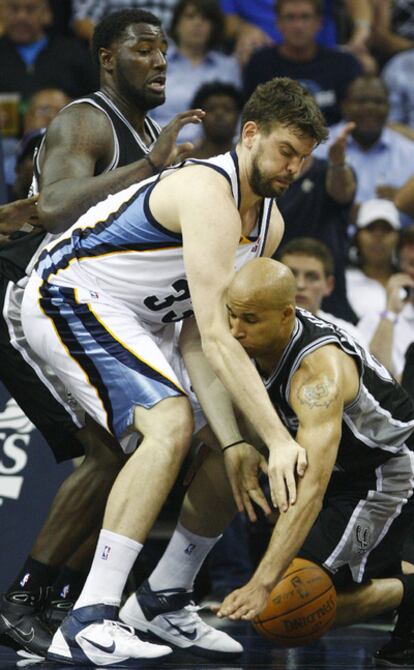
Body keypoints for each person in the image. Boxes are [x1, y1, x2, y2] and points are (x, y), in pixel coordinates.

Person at [20, 77, 328, 666]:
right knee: (170, 423)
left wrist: (241, 438)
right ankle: (90, 615)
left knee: (226, 440)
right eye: (287, 151)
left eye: (305, 159)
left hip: (146, 322)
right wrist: (280, 438)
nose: (294, 168)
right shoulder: (206, 188)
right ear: (251, 134)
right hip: (72, 292)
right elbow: (215, 331)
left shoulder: (271, 224)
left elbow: (198, 335)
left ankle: (163, 597)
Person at [0, 7, 207, 658]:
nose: (160, 59)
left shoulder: (147, 132)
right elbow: (57, 205)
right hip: (22, 298)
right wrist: (150, 166)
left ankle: (61, 599)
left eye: (165, 49)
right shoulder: (86, 120)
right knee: (111, 453)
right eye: (144, 48)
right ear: (108, 58)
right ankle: (25, 601)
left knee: (136, 451)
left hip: (80, 302)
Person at [207, 257, 414, 668]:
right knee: (290, 589)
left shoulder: (317, 374)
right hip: (341, 470)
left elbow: (313, 489)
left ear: (287, 315)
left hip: (383, 472)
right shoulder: (252, 334)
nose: (235, 330)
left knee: (286, 605)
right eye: (231, 315)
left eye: (249, 319)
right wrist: (240, 444)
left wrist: (262, 583)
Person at [276, 120, 357, 321]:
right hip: (277, 289)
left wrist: (338, 164)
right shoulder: (263, 178)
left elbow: (343, 194)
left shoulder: (328, 170)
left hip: (325, 293)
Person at [242, 0, 362, 126]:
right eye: (290, 17)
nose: (298, 25)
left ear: (319, 23)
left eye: (305, 17)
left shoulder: (344, 64)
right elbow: (253, 116)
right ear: (278, 23)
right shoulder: (259, 64)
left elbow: (354, 115)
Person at [313, 74, 414, 209]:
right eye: (361, 101)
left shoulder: (409, 153)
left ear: (389, 107)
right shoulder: (319, 146)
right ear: (344, 106)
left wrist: (403, 202)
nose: (370, 108)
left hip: (396, 229)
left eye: (378, 102)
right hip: (334, 229)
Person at [150, 0, 241, 145]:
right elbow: (145, 116)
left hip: (215, 154)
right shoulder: (157, 63)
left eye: (205, 18)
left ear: (213, 27)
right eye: (190, 16)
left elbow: (237, 117)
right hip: (162, 150)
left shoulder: (228, 66)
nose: (198, 23)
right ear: (176, 24)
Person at [0, 0, 98, 102]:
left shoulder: (75, 54)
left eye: (31, 9)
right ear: (2, 12)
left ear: (47, 13)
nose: (21, 17)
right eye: (13, 9)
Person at [278, 237, 366, 343]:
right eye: (291, 274)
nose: (300, 285)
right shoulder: (258, 330)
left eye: (312, 277)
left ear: (329, 285)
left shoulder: (348, 336)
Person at [358, 224, 414, 381]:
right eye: (412, 264)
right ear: (401, 270)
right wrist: (390, 312)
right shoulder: (377, 320)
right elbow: (376, 382)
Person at [346, 198, 401, 320]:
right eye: (370, 229)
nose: (378, 237)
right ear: (357, 236)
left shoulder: (408, 280)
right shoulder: (344, 281)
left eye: (386, 229)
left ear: (398, 237)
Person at [190, 80, 243, 158]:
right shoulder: (185, 159)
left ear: (238, 114)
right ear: (198, 116)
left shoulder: (248, 159)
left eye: (227, 109)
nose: (219, 115)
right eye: (211, 109)